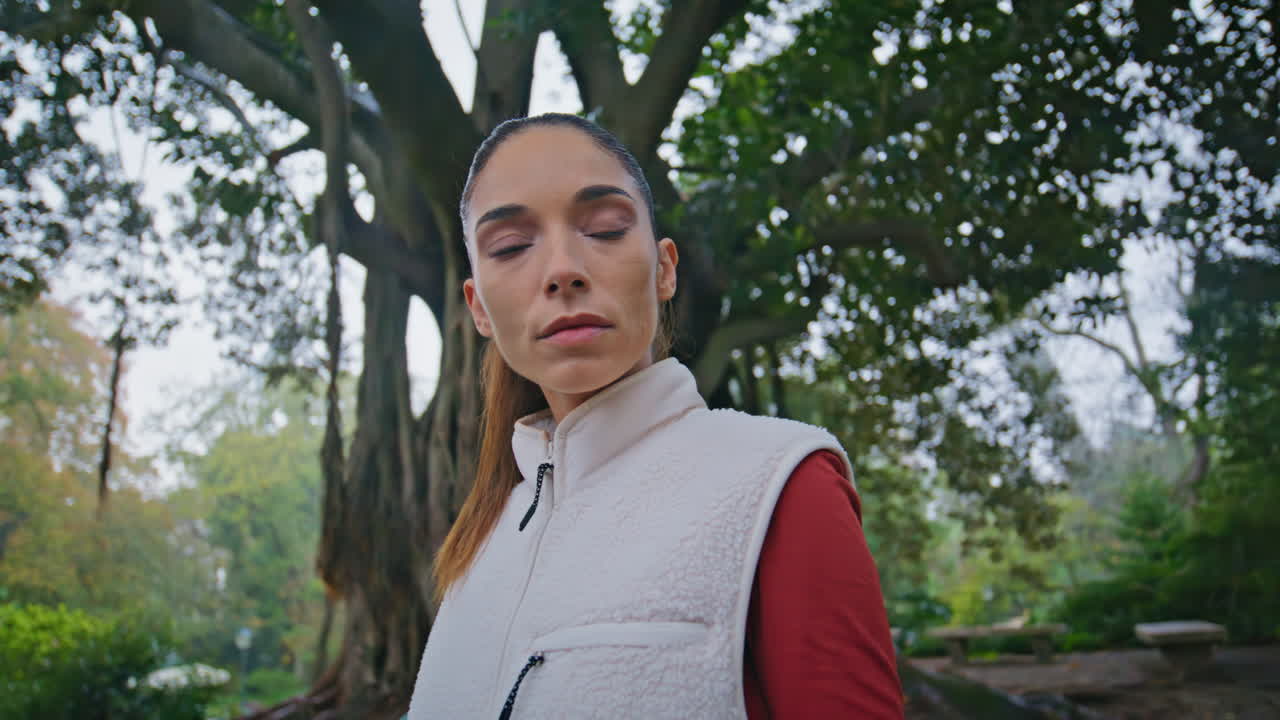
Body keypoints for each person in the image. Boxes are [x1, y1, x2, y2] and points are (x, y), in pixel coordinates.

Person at [407, 113, 903, 719]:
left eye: (606, 229)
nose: (562, 270)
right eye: (510, 247)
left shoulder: (780, 482)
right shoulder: (478, 547)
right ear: (478, 307)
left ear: (665, 268)